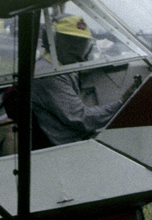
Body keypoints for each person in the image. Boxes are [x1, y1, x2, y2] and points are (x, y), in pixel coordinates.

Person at [29, 14, 128, 145]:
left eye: (81, 42)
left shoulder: (59, 66)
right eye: (69, 40)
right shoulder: (49, 74)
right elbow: (82, 118)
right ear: (52, 40)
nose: (76, 48)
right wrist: (122, 102)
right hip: (71, 145)